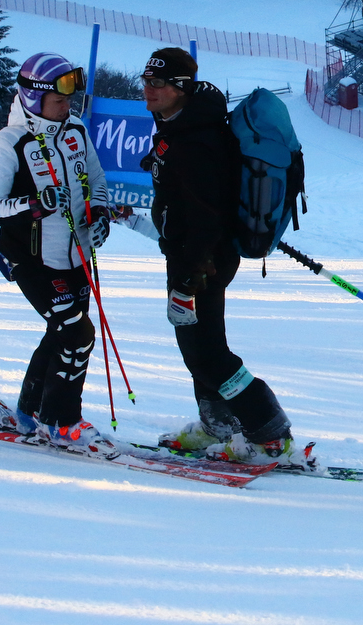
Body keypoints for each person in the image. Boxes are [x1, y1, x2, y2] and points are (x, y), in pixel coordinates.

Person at [134, 47, 303, 464]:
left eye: (158, 83)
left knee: (208, 355)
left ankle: (271, 432)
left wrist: (188, 277)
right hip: (194, 256)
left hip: (202, 262)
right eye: (146, 81)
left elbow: (207, 217)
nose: (148, 89)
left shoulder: (195, 140)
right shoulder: (183, 124)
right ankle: (217, 426)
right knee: (199, 348)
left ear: (181, 88)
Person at [0, 52, 113, 451]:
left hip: (75, 255)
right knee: (77, 333)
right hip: (31, 257)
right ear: (34, 98)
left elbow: (97, 180)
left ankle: (29, 412)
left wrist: (99, 213)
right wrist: (34, 204)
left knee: (61, 333)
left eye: (69, 99)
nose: (67, 106)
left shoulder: (76, 131)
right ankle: (61, 421)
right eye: (58, 100)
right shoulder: (9, 143)